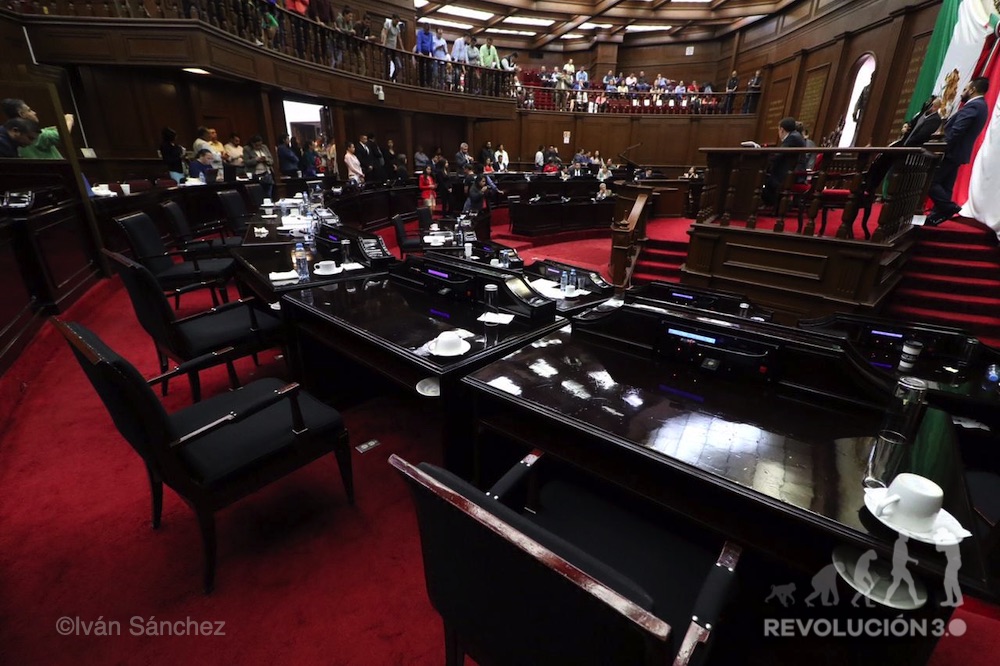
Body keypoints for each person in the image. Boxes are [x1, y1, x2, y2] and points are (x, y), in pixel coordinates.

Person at [926, 78, 990, 226]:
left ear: (972, 90)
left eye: (965, 89)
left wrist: (941, 148)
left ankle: (949, 208)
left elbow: (957, 131)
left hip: (951, 151)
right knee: (946, 185)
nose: (962, 92)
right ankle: (936, 216)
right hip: (958, 153)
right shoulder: (982, 106)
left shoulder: (974, 106)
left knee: (930, 181)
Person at [2, 98, 71, 159]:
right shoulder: (40, 136)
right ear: (21, 114)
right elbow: (63, 135)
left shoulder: (12, 132)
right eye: (29, 110)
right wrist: (69, 120)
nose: (34, 113)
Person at [762, 117, 806, 206]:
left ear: (781, 130)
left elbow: (778, 154)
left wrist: (764, 156)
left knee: (762, 178)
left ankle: (773, 205)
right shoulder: (795, 135)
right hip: (791, 171)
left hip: (791, 174)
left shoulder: (792, 137)